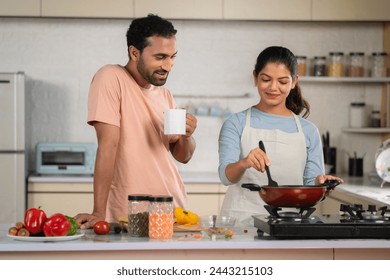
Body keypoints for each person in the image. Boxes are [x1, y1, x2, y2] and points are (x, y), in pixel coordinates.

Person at [75, 14, 197, 229]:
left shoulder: (165, 95)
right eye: (160, 57)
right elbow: (108, 146)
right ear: (134, 52)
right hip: (128, 212)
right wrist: (98, 211)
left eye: (172, 57)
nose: (168, 66)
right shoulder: (111, 77)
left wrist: (187, 136)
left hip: (172, 208)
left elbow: (182, 156)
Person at [218, 46, 343, 226]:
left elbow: (310, 184)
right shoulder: (235, 123)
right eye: (266, 79)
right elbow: (225, 176)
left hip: (290, 222)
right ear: (255, 77)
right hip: (241, 222)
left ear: (294, 82)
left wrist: (321, 184)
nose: (273, 87)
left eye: (283, 82)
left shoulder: (309, 130)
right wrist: (245, 162)